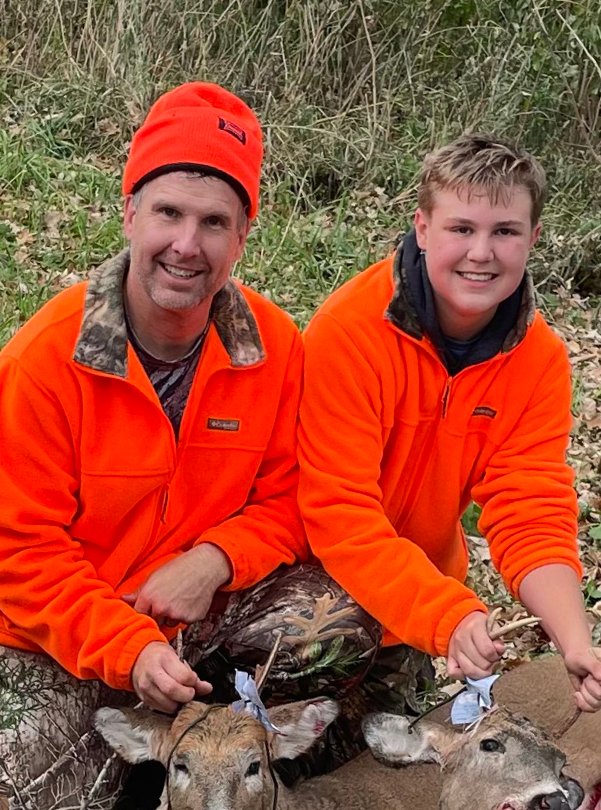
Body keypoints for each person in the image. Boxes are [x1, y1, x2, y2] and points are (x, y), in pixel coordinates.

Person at [0, 83, 380, 808]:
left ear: (242, 237)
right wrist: (127, 645)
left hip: (201, 612)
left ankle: (235, 762)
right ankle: (152, 764)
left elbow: (298, 497)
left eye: (214, 222)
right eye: (168, 212)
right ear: (129, 213)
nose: (186, 244)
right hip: (59, 631)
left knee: (339, 618)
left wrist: (213, 560)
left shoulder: (273, 349)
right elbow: (21, 554)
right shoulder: (43, 364)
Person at [298, 132, 601, 716]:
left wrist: (574, 638)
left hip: (417, 600)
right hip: (309, 587)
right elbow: (339, 513)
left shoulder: (539, 363)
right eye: (462, 229)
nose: (481, 253)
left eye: (504, 232)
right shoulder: (350, 331)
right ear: (423, 229)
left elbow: (530, 507)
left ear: (533, 239)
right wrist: (448, 613)